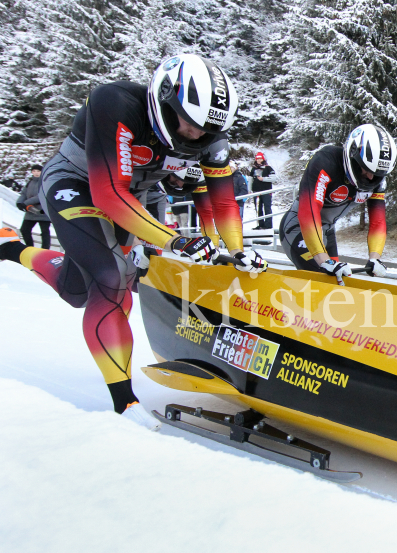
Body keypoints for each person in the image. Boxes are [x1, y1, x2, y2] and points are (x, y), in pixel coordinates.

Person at [0, 54, 266, 430]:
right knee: (111, 280)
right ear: (165, 100)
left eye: (208, 130)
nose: (198, 137)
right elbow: (108, 192)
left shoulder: (210, 137)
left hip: (130, 198)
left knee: (77, 289)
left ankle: (13, 248)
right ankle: (124, 402)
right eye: (190, 125)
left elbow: (222, 201)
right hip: (77, 186)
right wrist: (176, 242)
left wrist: (236, 249)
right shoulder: (116, 103)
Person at [279, 124, 397, 283]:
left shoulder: (378, 180)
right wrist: (324, 261)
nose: (371, 178)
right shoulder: (326, 161)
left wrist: (375, 257)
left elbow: (377, 222)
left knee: (337, 285)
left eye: (377, 173)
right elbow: (309, 212)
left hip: (327, 231)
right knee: (323, 281)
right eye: (366, 169)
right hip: (298, 227)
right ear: (353, 155)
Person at [17, 164, 51, 249]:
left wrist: (26, 203)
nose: (36, 173)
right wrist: (19, 202)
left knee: (44, 231)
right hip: (31, 211)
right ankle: (30, 247)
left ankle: (45, 249)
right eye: (34, 171)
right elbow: (24, 193)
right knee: (24, 230)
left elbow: (41, 195)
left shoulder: (45, 181)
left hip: (43, 211)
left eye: (38, 171)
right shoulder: (30, 182)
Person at [250, 151, 276, 229]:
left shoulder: (268, 168)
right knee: (258, 208)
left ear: (263, 159)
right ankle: (260, 224)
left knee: (267, 207)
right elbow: (250, 179)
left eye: (260, 159)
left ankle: (268, 225)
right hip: (256, 191)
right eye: (257, 159)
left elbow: (274, 178)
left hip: (266, 191)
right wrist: (249, 189)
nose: (259, 160)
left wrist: (263, 179)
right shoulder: (254, 168)